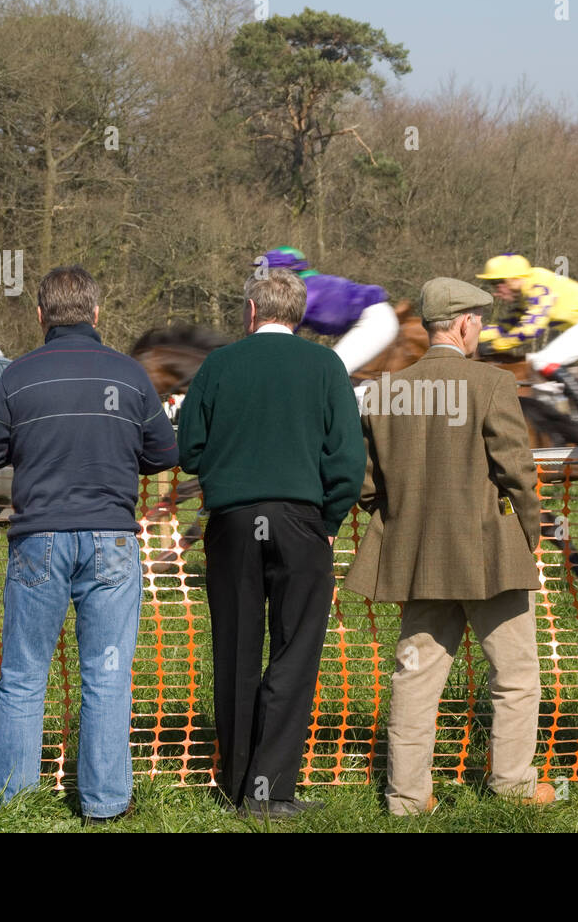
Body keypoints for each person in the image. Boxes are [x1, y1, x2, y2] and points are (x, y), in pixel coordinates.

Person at [0, 266, 177, 822]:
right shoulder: (129, 375)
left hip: (39, 538)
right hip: (111, 536)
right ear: (97, 314)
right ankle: (105, 803)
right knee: (107, 675)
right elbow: (164, 453)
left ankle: (12, 801)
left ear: (40, 315)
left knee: (23, 674)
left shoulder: (19, 375)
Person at [345, 277, 552, 815]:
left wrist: (404, 519)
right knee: (514, 676)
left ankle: (407, 797)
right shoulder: (491, 383)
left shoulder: (386, 390)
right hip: (491, 555)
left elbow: (366, 484)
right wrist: (527, 535)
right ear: (463, 324)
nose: (480, 330)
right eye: (479, 321)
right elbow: (517, 473)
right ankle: (512, 785)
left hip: (417, 557)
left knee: (415, 677)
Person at [177, 267, 365, 817]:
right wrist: (327, 521)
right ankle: (269, 790)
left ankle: (235, 785)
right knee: (293, 654)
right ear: (299, 316)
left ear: (252, 312)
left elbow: (188, 448)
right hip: (301, 522)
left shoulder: (219, 364)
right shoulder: (326, 365)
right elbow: (349, 463)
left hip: (233, 523)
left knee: (234, 651)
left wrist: (229, 473)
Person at [259, 246, 400, 374]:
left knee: (330, 373)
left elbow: (280, 333)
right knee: (330, 372)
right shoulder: (307, 284)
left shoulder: (303, 290)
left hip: (375, 322)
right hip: (372, 319)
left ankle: (361, 400)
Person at [476, 253, 578, 379]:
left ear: (514, 278)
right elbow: (505, 328)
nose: (495, 292)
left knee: (542, 362)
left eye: (497, 283)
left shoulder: (538, 288)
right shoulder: (525, 292)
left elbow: (530, 330)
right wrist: (475, 336)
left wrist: (496, 345)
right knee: (534, 361)